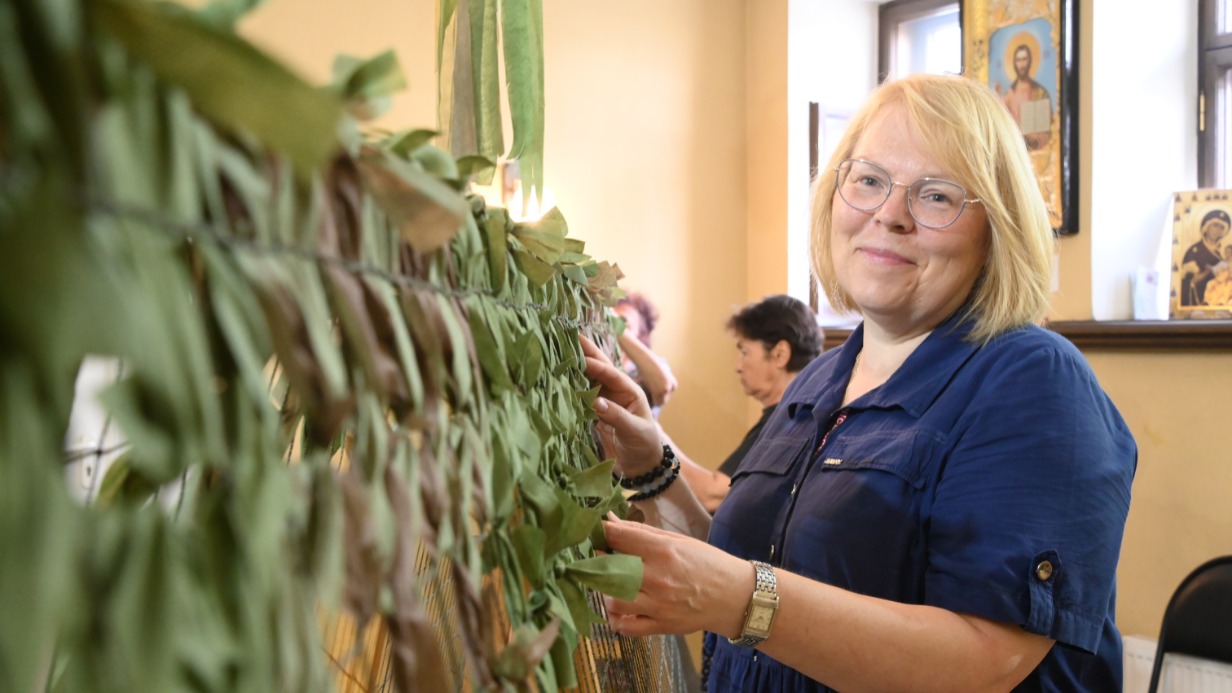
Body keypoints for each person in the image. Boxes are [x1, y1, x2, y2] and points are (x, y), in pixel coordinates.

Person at [581, 73, 1136, 691]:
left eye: (936, 196)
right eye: (869, 180)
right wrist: (652, 464)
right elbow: (757, 573)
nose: (889, 215)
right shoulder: (821, 378)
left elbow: (985, 662)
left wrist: (740, 598)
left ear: (997, 227)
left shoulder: (1033, 383)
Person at [672, 295, 823, 512]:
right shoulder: (803, 412)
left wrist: (655, 438)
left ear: (780, 354)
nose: (738, 366)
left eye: (745, 353)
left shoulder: (788, 421)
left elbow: (712, 495)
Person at [613, 292, 677, 412]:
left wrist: (613, 322)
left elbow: (663, 386)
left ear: (640, 337)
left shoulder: (651, 368)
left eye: (624, 324)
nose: (611, 328)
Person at [1002, 44, 1052, 151]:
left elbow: (1048, 133)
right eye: (1018, 60)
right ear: (1014, 63)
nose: (1021, 65)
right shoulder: (1008, 95)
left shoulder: (1040, 92)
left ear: (1029, 62)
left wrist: (1034, 136)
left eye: (1024, 59)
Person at [1180, 208, 1231, 306]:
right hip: (1199, 302)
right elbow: (1191, 282)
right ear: (1206, 227)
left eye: (1221, 227)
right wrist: (1209, 271)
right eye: (1215, 225)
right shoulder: (1195, 251)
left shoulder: (1220, 255)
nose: (1218, 230)